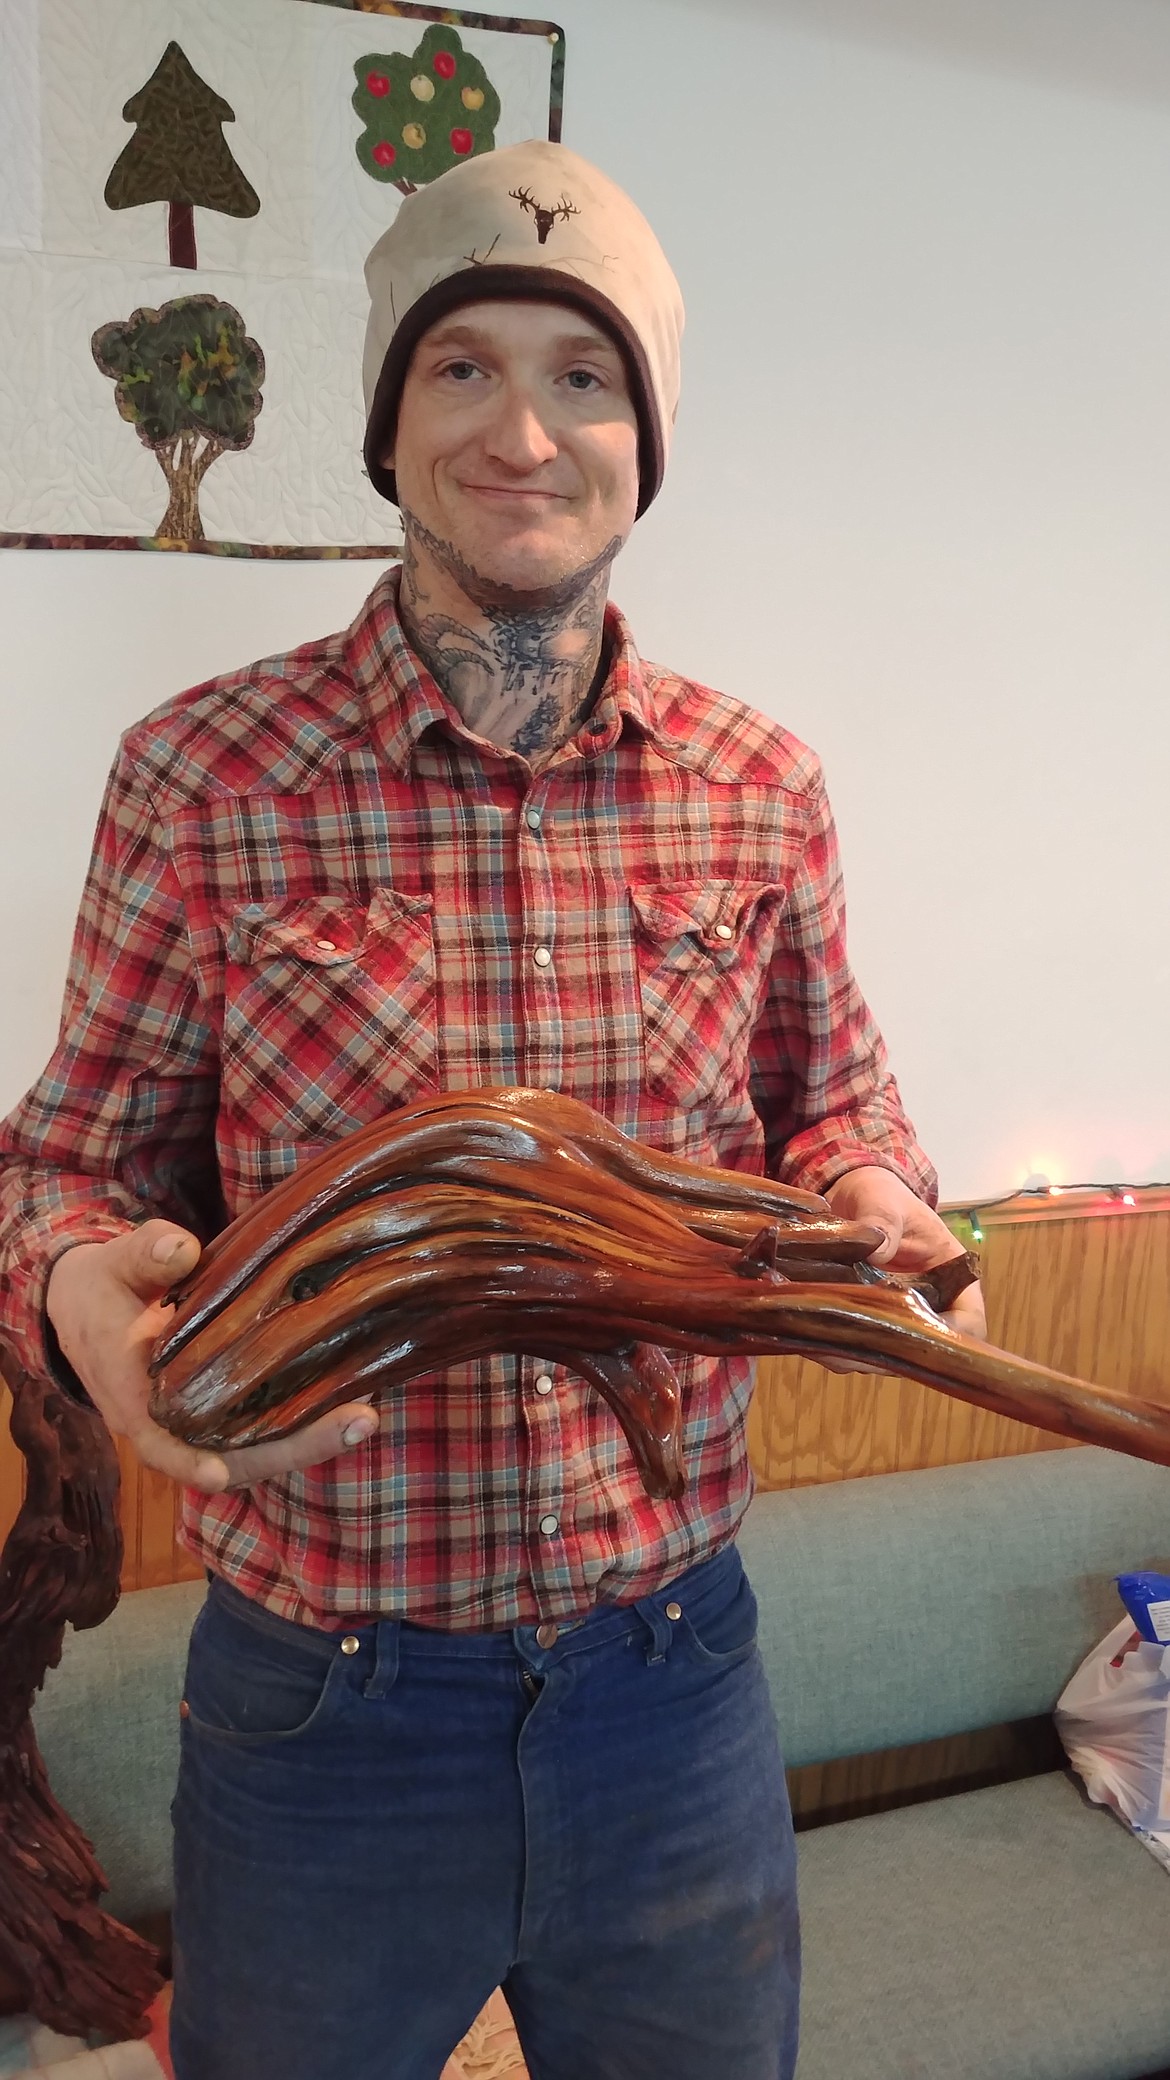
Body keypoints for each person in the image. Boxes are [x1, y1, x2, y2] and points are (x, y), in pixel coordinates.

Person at [0, 141, 983, 2080]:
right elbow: (65, 1159)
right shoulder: (201, 776)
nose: (524, 427)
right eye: (462, 366)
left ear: (647, 432)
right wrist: (83, 1298)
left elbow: (835, 1097)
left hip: (675, 1682)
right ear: (387, 417)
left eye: (585, 373)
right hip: (323, 1711)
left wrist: (874, 1189)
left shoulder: (757, 784)